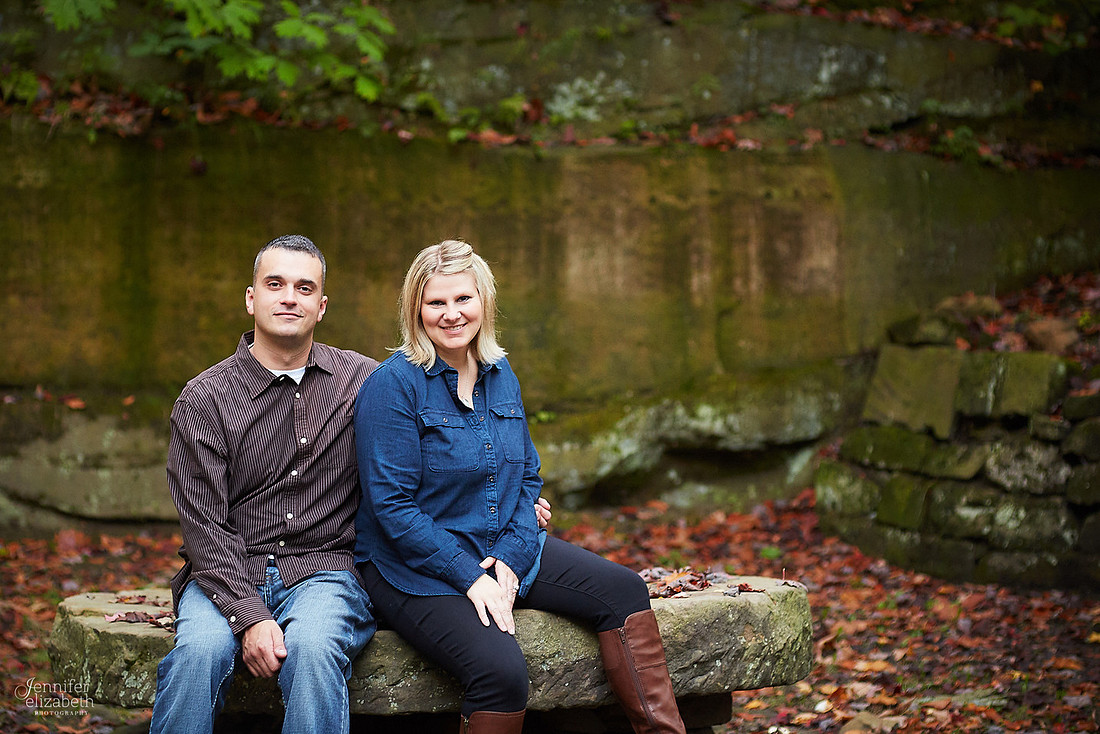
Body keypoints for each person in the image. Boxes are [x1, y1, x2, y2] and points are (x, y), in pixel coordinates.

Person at [149, 234, 551, 734]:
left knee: (315, 650)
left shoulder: (363, 380)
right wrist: (249, 617)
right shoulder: (204, 398)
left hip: (325, 570)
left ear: (321, 306)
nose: (289, 298)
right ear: (251, 299)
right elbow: (204, 529)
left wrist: (511, 501)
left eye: (304, 288)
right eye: (274, 284)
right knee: (199, 653)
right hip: (227, 573)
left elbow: (434, 453)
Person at [353, 239, 687, 734]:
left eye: (462, 298)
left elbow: (526, 478)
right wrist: (472, 579)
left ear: (484, 300)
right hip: (413, 567)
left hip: (494, 546)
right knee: (501, 672)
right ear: (415, 310)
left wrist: (511, 557)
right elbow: (392, 507)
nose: (451, 314)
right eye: (435, 302)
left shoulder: (500, 373)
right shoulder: (393, 385)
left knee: (623, 591)